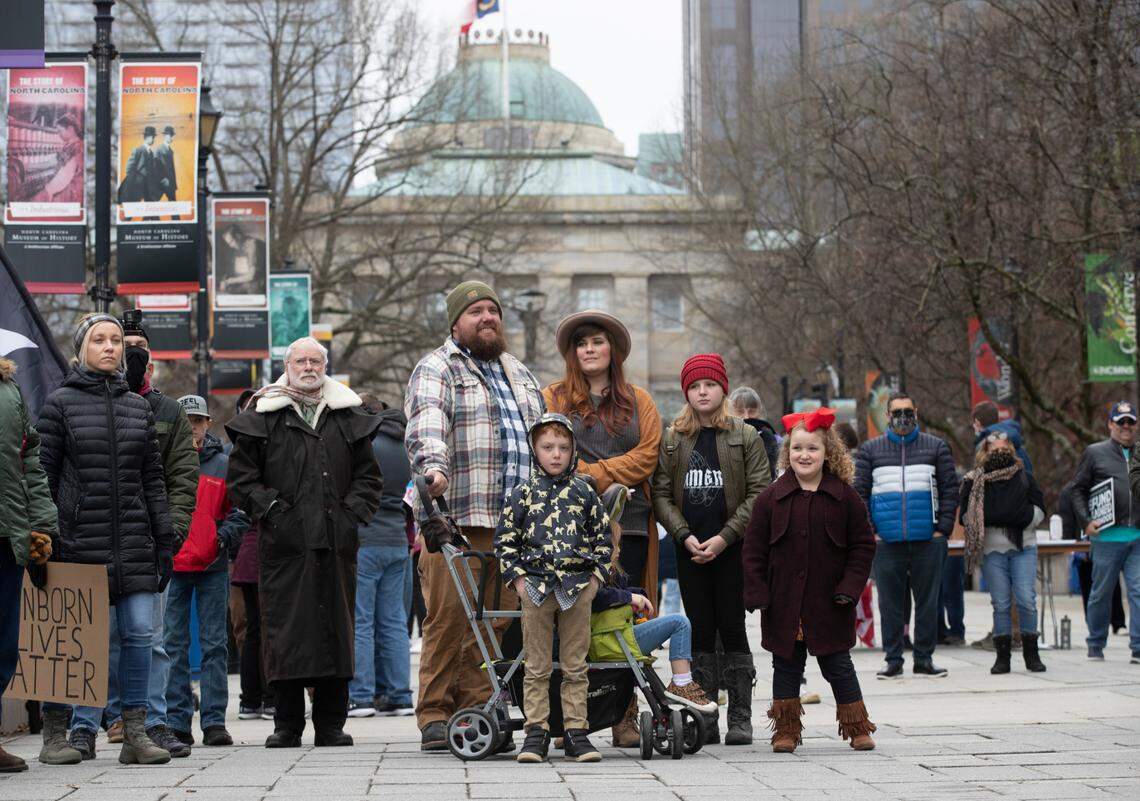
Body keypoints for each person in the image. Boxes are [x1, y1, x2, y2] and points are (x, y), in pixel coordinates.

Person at [404, 280, 545, 751]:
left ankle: (479, 711)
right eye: (476, 311)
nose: (487, 318)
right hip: (456, 518)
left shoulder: (520, 372)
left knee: (496, 622)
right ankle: (435, 714)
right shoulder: (437, 367)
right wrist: (433, 469)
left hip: (515, 524)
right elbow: (427, 423)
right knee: (447, 618)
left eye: (493, 310)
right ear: (455, 322)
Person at [226, 337, 383, 747]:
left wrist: (350, 517)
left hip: (336, 542)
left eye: (316, 360)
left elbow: (369, 477)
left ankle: (331, 724)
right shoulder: (264, 413)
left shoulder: (346, 413)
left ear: (325, 365)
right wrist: (275, 513)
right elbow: (242, 480)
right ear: (286, 364)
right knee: (286, 633)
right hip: (284, 546)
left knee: (336, 629)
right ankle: (287, 725)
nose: (309, 367)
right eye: (301, 360)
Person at [36, 313, 174, 766]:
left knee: (138, 634)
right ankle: (58, 732)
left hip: (134, 542)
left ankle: (134, 730)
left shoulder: (138, 407)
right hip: (76, 542)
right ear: (81, 349)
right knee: (75, 640)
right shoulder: (59, 404)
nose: (110, 347)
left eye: (116, 339)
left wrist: (164, 537)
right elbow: (44, 476)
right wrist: (46, 537)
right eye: (99, 340)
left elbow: (153, 479)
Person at [541, 309, 662, 747]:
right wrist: (590, 478)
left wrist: (595, 474)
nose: (589, 349)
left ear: (613, 349)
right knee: (571, 618)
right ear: (573, 352)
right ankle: (566, 718)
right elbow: (546, 448)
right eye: (581, 343)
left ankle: (624, 717)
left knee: (624, 617)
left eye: (597, 342)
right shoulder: (553, 396)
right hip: (567, 529)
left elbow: (648, 454)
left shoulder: (640, 400)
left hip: (629, 525)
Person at [743, 407, 878, 753]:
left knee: (838, 665)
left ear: (827, 452)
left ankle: (857, 725)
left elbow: (862, 547)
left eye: (812, 448)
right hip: (784, 601)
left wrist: (850, 588)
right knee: (785, 666)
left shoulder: (845, 498)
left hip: (830, 602)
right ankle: (786, 730)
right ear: (787, 453)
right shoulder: (770, 499)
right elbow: (754, 549)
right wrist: (757, 590)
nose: (804, 455)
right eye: (797, 448)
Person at [653, 353, 770, 746]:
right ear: (687, 392)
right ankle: (705, 717)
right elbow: (661, 494)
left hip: (731, 548)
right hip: (690, 550)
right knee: (700, 629)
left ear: (723, 389)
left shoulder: (745, 435)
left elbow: (759, 493)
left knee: (732, 626)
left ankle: (740, 715)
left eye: (710, 385)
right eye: (695, 386)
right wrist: (684, 534)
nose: (703, 392)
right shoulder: (673, 439)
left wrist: (724, 537)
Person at [97, 313, 197, 757]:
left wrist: (171, 533)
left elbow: (179, 478)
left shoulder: (167, 411)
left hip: (147, 540)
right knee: (105, 637)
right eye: (121, 343)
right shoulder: (84, 401)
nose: (126, 352)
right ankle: (106, 719)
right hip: (97, 537)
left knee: (152, 638)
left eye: (135, 345)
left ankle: (151, 721)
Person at [495, 414, 612, 763]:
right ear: (535, 449)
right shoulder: (521, 494)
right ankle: (536, 733)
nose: (556, 454)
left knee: (576, 665)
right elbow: (505, 542)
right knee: (536, 665)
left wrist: (595, 579)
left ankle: (576, 733)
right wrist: (517, 579)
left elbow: (603, 539)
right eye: (548, 447)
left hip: (577, 588)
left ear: (573, 449)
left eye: (563, 447)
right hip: (535, 588)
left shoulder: (584, 492)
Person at [164, 395, 249, 747]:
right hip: (172, 565)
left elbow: (241, 510)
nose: (192, 428)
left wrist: (221, 539)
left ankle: (214, 721)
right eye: (186, 422)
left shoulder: (224, 464)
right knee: (173, 646)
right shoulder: (164, 461)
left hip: (211, 565)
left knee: (215, 646)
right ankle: (178, 720)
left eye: (197, 421)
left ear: (207, 423)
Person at [854, 392, 958, 679]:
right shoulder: (871, 450)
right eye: (897, 412)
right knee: (889, 604)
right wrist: (872, 533)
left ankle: (924, 659)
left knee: (928, 601)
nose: (903, 417)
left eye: (907, 411)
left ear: (917, 412)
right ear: (887, 415)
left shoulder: (936, 447)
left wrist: (943, 529)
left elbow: (951, 489)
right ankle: (893, 659)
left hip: (928, 539)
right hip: (887, 541)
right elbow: (859, 494)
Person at [593, 519, 716, 714]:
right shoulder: (594, 573)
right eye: (615, 546)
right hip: (610, 639)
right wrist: (629, 597)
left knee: (677, 621)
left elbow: (619, 590)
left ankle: (682, 684)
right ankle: (682, 683)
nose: (618, 551)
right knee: (679, 622)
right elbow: (596, 597)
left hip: (616, 636)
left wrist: (637, 595)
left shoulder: (612, 571)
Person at [0, 357, 56, 773]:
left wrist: (41, 524)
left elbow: (29, 460)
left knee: (4, 645)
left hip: (8, 535)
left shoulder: (9, 388)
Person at [347, 396, 414, 718]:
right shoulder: (405, 446)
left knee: (361, 621)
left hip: (367, 539)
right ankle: (400, 695)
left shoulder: (367, 445)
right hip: (398, 539)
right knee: (394, 622)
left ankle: (361, 695)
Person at [960, 431, 1046, 674]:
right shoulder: (973, 482)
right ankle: (1003, 656)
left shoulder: (1024, 477)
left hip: (1023, 547)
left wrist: (1021, 518)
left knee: (1027, 600)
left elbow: (1040, 508)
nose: (999, 453)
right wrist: (1004, 516)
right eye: (993, 449)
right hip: (992, 550)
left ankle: (1031, 652)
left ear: (1013, 451)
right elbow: (966, 516)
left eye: (1004, 449)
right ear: (983, 452)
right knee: (1000, 603)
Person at [1072, 401, 1140, 662]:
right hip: (1106, 537)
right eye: (1120, 421)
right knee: (1101, 593)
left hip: (1137, 537)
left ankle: (1138, 647)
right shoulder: (1094, 453)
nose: (1126, 426)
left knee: (1138, 591)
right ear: (1110, 424)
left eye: (1130, 422)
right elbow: (1076, 489)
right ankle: (1096, 642)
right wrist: (1085, 521)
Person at [229, 394, 275, 723]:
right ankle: (268, 696)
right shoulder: (268, 452)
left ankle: (250, 699)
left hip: (246, 557)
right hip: (263, 554)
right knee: (268, 628)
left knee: (252, 631)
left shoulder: (239, 456)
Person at [728, 386, 779, 481]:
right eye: (740, 412)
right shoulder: (721, 438)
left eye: (752, 411)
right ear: (730, 413)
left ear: (760, 411)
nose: (746, 416)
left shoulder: (776, 440)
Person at [118, 126, 155, 203]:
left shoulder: (151, 153)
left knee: (149, 208)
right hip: (136, 185)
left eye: (154, 137)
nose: (153, 139)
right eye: (152, 137)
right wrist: (133, 182)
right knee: (133, 206)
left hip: (147, 185)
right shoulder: (138, 150)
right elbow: (129, 168)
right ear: (147, 137)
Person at [153, 126, 177, 203]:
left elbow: (172, 169)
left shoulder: (171, 151)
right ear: (165, 136)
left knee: (174, 206)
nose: (171, 137)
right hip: (160, 182)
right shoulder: (159, 149)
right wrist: (162, 178)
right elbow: (155, 166)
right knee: (152, 205)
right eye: (169, 135)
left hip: (170, 183)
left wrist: (173, 184)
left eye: (172, 135)